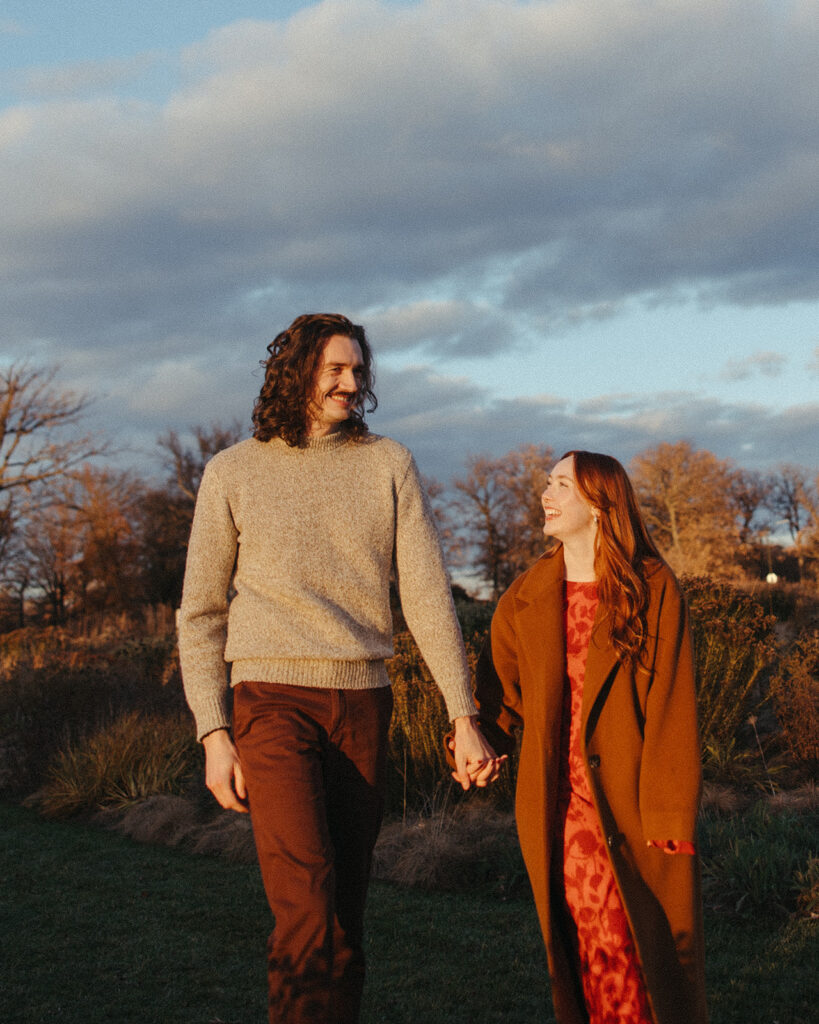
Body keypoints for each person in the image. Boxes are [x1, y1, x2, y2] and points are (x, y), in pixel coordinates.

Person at [177, 313, 500, 1024]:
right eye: (335, 370)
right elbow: (199, 612)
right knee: (308, 902)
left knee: (345, 915)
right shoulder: (231, 471)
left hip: (361, 702)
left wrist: (461, 714)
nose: (353, 383)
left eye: (359, 370)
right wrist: (213, 733)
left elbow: (423, 592)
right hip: (269, 700)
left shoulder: (388, 463)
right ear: (296, 373)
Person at [454, 450, 707, 1024]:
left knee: (645, 954)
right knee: (590, 949)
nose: (546, 493)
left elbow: (673, 705)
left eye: (561, 485)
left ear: (598, 505)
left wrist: (671, 815)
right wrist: (477, 744)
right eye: (548, 483)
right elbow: (501, 698)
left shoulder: (652, 587)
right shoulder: (525, 595)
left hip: (634, 808)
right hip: (559, 809)